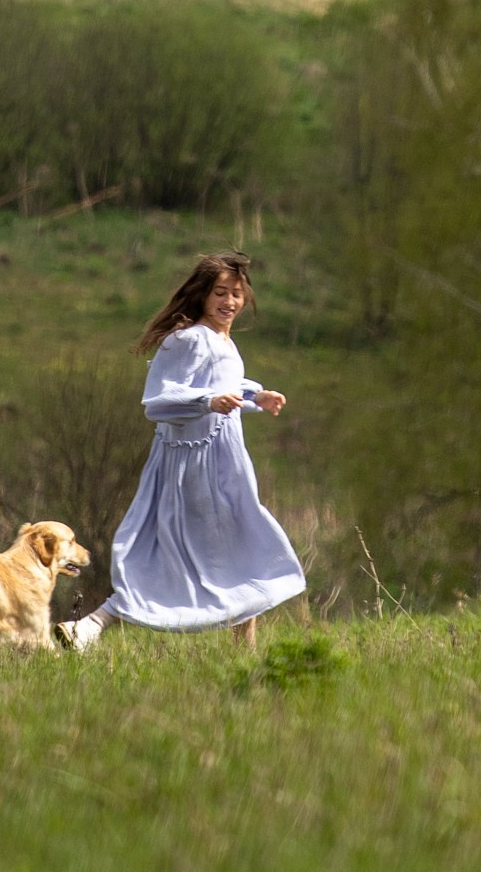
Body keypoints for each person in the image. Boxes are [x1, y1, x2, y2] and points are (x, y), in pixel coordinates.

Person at [57, 252, 304, 651]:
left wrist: (257, 396)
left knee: (238, 546)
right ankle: (93, 624)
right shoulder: (188, 339)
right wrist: (208, 402)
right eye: (220, 292)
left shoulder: (221, 339)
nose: (230, 301)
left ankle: (92, 627)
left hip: (224, 463)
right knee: (209, 549)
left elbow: (224, 383)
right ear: (202, 295)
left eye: (237, 294)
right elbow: (158, 401)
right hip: (193, 469)